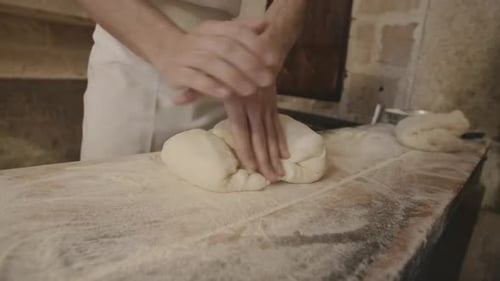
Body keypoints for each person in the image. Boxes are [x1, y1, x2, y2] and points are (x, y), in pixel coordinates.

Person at [77, 0, 306, 182]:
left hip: (236, 62)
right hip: (136, 56)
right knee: (115, 207)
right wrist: (167, 45)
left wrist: (275, 35)